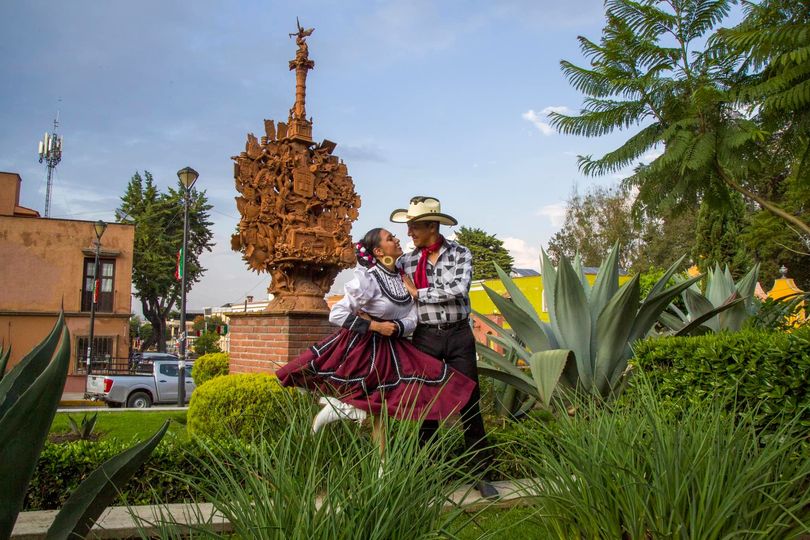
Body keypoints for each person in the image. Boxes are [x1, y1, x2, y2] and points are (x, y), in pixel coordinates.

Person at [275, 227, 476, 448]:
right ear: (379, 251)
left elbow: (413, 315)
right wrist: (375, 326)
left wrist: (397, 326)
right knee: (367, 402)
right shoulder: (368, 279)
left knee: (403, 400)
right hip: (366, 348)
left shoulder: (403, 276)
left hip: (396, 346)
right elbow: (337, 313)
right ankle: (324, 431)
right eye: (390, 238)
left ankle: (387, 466)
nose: (400, 237)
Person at [390, 196, 499, 499]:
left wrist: (419, 292)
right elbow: (388, 283)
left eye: (413, 226)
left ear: (431, 226)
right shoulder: (406, 262)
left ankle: (482, 474)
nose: (409, 232)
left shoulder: (461, 254)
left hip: (459, 336)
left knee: (469, 401)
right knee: (426, 406)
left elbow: (457, 290)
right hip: (425, 337)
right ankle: (429, 474)